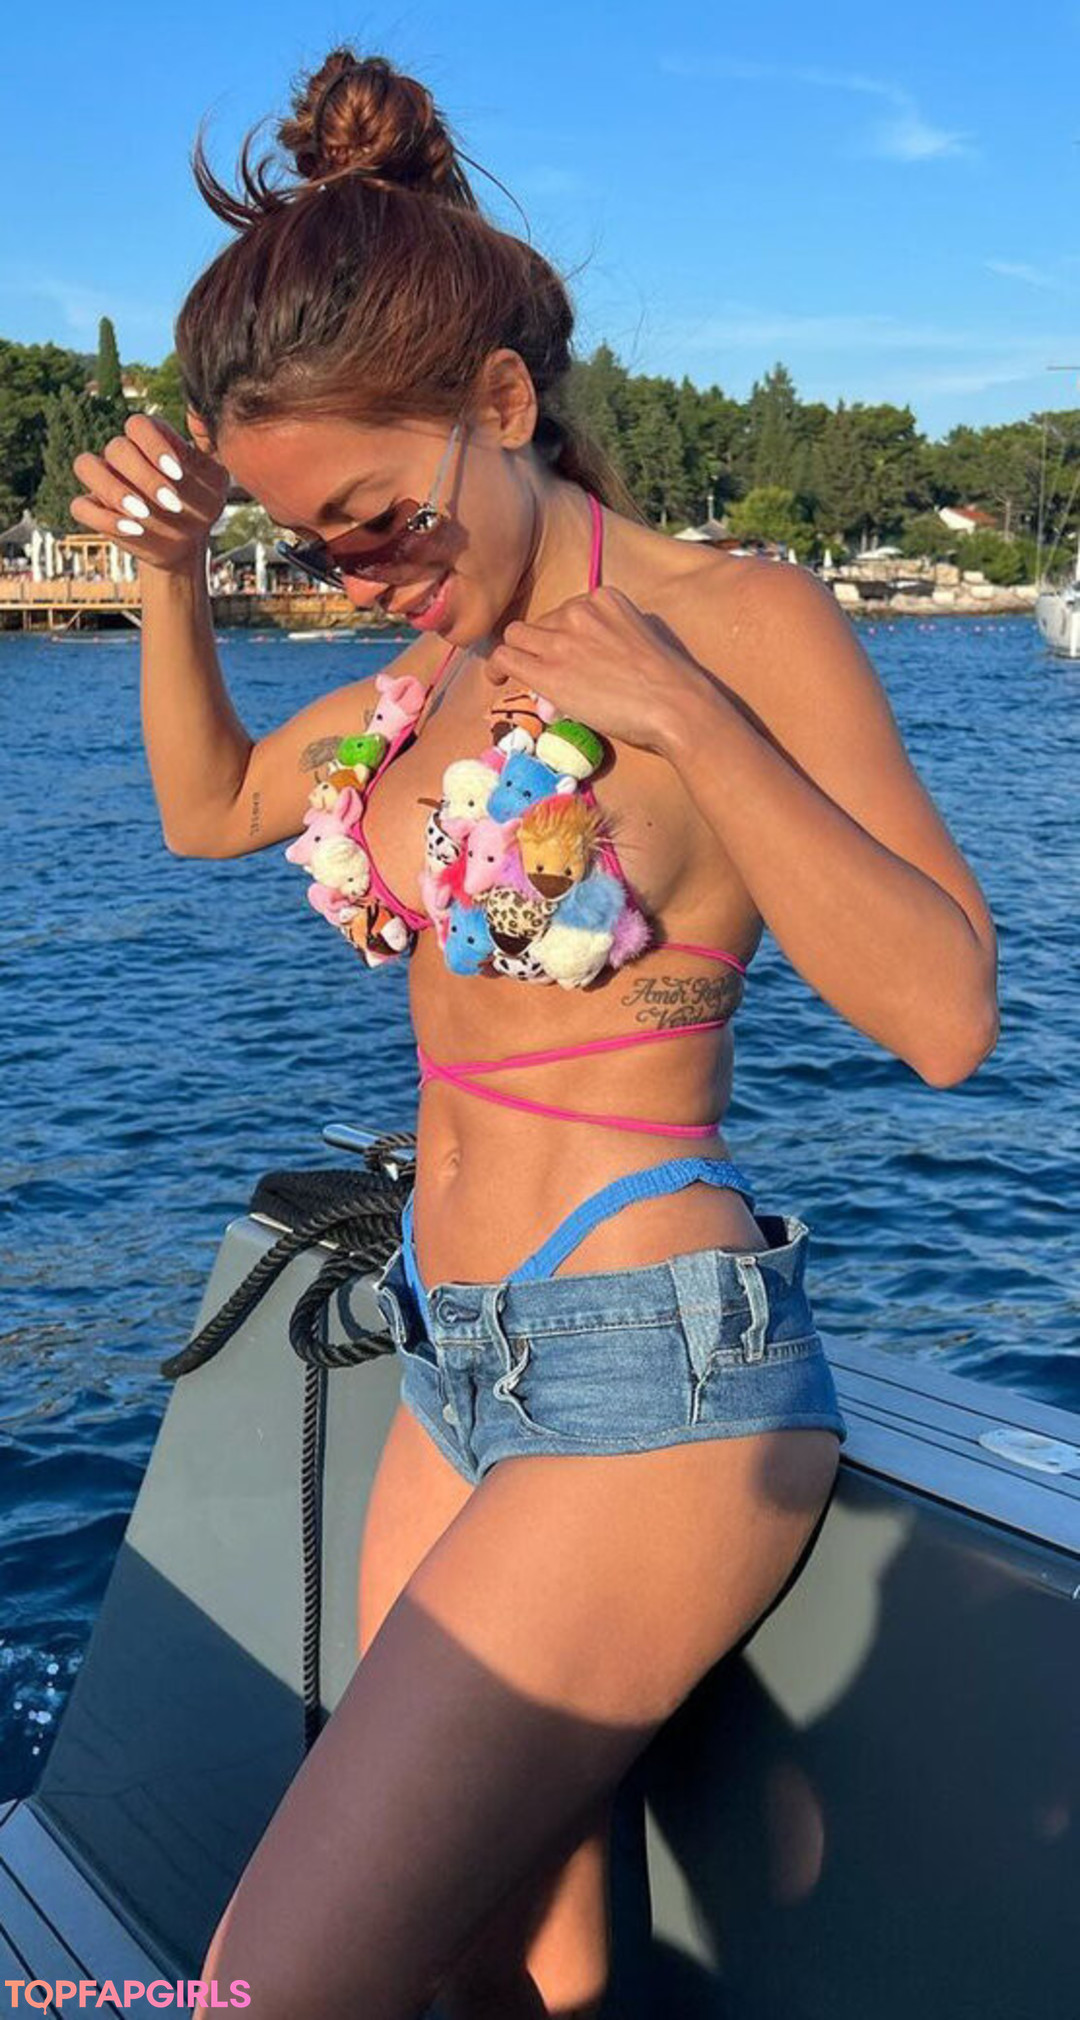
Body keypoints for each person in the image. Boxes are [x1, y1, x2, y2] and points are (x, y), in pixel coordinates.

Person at [69, 44, 999, 2020]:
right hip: (446, 1357)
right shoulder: (418, 688)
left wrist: (697, 724)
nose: (367, 575)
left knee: (266, 1982)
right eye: (320, 546)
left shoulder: (735, 621)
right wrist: (166, 577)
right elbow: (210, 805)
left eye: (382, 517)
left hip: (650, 1368)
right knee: (506, 1970)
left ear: (501, 405)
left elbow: (943, 1013)